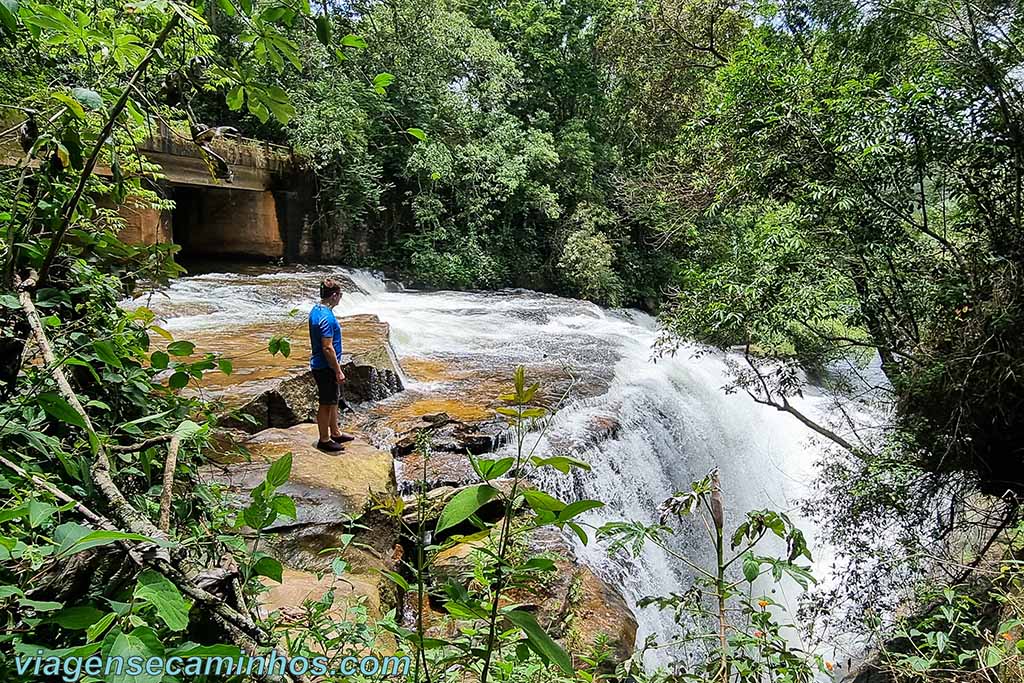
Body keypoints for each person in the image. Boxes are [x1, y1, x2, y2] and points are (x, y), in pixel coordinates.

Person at [308, 279, 355, 452]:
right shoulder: (326, 318)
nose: (341, 298)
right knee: (326, 403)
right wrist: (338, 370)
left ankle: (335, 432)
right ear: (334, 296)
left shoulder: (317, 309)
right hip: (325, 366)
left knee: (333, 400)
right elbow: (327, 347)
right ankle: (324, 439)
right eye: (340, 295)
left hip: (323, 364)